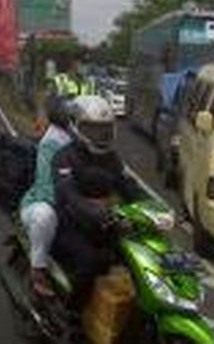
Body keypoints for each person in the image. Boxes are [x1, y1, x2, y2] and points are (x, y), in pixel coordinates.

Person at [50, 95, 145, 307]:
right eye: (92, 129)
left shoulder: (111, 158)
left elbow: (127, 185)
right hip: (69, 225)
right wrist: (94, 211)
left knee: (136, 258)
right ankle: (71, 311)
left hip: (104, 225)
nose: (100, 135)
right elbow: (68, 194)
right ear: (75, 126)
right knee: (91, 261)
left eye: (104, 129)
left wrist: (153, 208)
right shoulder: (64, 157)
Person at [18, 96, 74, 297]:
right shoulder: (52, 142)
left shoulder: (87, 140)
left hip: (77, 205)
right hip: (45, 202)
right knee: (45, 215)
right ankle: (38, 270)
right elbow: (49, 188)